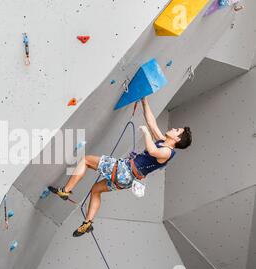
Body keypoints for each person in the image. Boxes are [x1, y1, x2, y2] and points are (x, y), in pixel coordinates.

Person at [49, 97, 192, 237]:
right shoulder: (163, 142)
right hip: (127, 180)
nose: (173, 129)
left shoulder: (167, 152)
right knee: (96, 190)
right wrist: (144, 100)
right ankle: (88, 222)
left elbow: (154, 151)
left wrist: (146, 133)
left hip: (125, 171)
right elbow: (151, 122)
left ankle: (66, 191)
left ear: (177, 139)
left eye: (177, 130)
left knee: (86, 160)